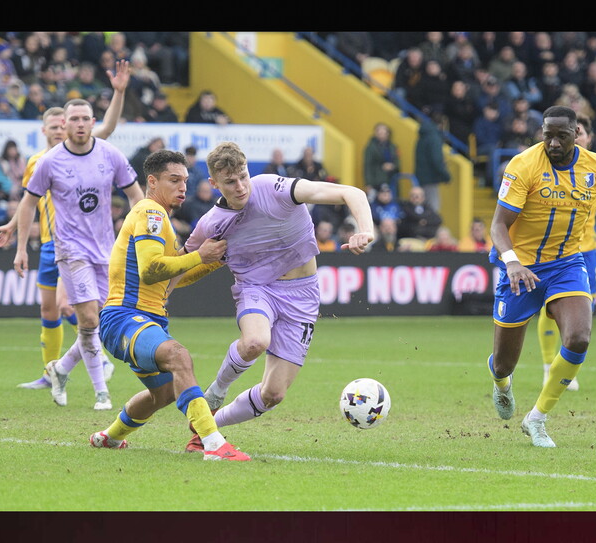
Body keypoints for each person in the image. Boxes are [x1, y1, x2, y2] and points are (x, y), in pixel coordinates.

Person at [180, 141, 374, 453]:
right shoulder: (211, 224)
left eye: (243, 176)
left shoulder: (274, 187)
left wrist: (365, 230)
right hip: (257, 289)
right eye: (230, 182)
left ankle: (208, 426)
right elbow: (182, 265)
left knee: (273, 394)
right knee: (256, 341)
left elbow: (352, 193)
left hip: (303, 294)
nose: (241, 186)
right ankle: (215, 393)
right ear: (214, 183)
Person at [485, 105, 596, 448]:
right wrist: (513, 262)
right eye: (548, 135)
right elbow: (498, 224)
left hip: (566, 264)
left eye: (562, 136)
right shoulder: (524, 165)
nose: (554, 143)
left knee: (578, 338)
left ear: (577, 134)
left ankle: (537, 419)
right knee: (503, 363)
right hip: (521, 269)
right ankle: (501, 384)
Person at [89, 149, 250, 460]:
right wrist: (200, 255)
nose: (183, 188)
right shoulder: (150, 212)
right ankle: (213, 444)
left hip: (146, 319)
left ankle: (109, 438)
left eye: (186, 181)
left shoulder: (159, 218)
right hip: (124, 317)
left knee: (162, 394)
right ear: (152, 181)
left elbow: (177, 276)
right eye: (174, 180)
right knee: (179, 357)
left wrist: (215, 260)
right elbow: (151, 269)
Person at [0, 60, 130, 391]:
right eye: (54, 127)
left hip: (79, 245)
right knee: (48, 309)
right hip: (51, 243)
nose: (59, 130)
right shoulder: (38, 163)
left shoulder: (88, 149)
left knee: (72, 306)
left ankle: (95, 357)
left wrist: (118, 92)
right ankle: (50, 371)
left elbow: (107, 128)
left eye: (61, 125)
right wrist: (15, 231)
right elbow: (31, 202)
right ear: (47, 130)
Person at [11, 98, 144, 410]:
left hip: (105, 249)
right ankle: (102, 393)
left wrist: (144, 231)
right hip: (70, 250)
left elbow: (135, 193)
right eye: (74, 120)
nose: (80, 124)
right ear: (64, 125)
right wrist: (19, 248)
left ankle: (60, 369)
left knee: (98, 319)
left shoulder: (109, 153)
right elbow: (29, 201)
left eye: (86, 119)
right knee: (85, 317)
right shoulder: (50, 161)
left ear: (93, 122)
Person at [535, 115, 596, 392]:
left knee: (584, 311)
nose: (577, 136)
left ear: (587, 138)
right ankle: (550, 365)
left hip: (586, 250)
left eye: (581, 132)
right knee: (550, 309)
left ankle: (565, 365)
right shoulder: (551, 164)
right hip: (556, 251)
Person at [414, 112, 452, 213]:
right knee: (433, 210)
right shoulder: (434, 138)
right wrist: (446, 176)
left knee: (423, 209)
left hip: (421, 177)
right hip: (431, 179)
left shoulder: (423, 136)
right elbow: (436, 160)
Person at [363, 122, 401, 196]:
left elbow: (397, 161)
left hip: (391, 179)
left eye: (384, 132)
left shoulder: (393, 147)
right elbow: (367, 166)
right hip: (376, 180)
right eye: (379, 132)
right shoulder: (371, 148)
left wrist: (392, 166)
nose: (382, 134)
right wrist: (368, 183)